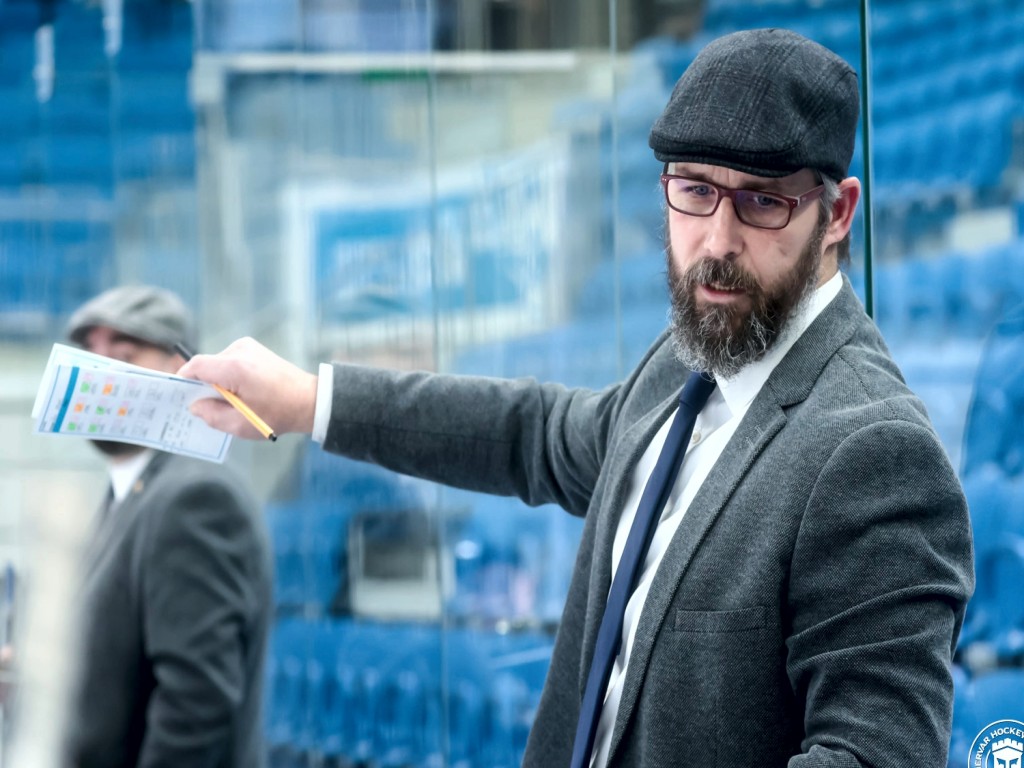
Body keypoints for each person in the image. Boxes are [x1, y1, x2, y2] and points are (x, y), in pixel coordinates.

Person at [180, 29, 974, 768]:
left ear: (837, 214)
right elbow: (530, 433)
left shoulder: (875, 454)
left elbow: (876, 756)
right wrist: (307, 400)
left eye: (762, 202)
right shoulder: (687, 359)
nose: (718, 241)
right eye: (695, 191)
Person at [62, 285, 273, 768]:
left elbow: (196, 707)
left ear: (183, 371)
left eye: (124, 356)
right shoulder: (126, 497)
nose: (100, 373)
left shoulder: (194, 499)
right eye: (91, 354)